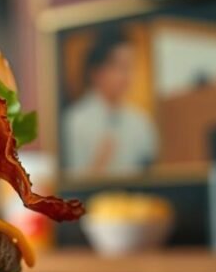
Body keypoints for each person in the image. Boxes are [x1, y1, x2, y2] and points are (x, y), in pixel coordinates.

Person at [63, 28, 158, 176]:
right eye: (119, 66)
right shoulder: (74, 121)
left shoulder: (141, 120)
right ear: (96, 72)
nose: (127, 76)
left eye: (130, 67)